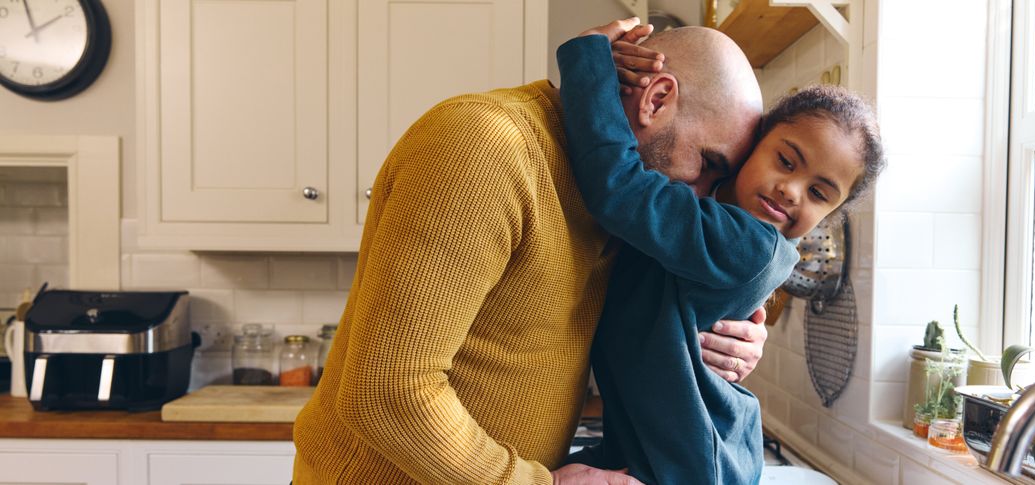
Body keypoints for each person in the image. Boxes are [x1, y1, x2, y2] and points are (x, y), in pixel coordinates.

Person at [291, 19, 776, 485]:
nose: (698, 196)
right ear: (657, 98)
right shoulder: (484, 145)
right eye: (707, 165)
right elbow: (387, 391)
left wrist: (725, 341)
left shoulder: (617, 210)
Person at [556, 27, 885, 485]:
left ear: (828, 216)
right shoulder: (709, 220)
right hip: (658, 449)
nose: (791, 191)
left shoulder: (748, 245)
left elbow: (619, 187)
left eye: (817, 193)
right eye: (786, 162)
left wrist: (586, 57)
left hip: (691, 467)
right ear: (751, 147)